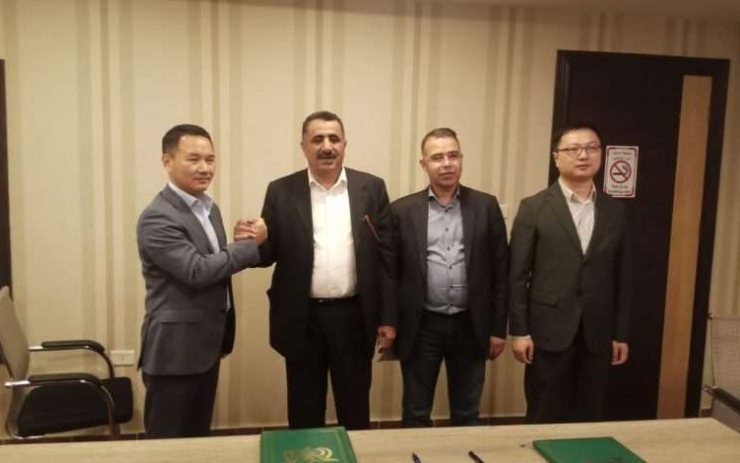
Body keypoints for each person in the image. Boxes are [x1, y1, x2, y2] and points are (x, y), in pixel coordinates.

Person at [251, 110, 396, 430]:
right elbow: (267, 255)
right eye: (317, 139)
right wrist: (255, 242)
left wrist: (387, 318)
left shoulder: (371, 188)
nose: (327, 146)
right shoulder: (281, 191)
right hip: (302, 319)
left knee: (355, 410)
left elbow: (386, 259)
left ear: (345, 144)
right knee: (304, 412)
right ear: (303, 146)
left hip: (355, 317)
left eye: (334, 139)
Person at [136, 124, 267, 438]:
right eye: (193, 159)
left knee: (196, 441)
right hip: (175, 351)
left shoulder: (209, 209)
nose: (205, 168)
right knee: (167, 445)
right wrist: (251, 246)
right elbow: (197, 271)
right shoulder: (158, 216)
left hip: (206, 345)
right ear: (167, 161)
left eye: (210, 159)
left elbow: (215, 262)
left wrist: (238, 241)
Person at [509, 123, 632, 423]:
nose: (583, 155)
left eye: (591, 148)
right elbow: (516, 275)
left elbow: (623, 277)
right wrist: (520, 331)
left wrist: (621, 333)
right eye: (573, 149)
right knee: (543, 411)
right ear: (556, 157)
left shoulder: (615, 211)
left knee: (589, 412)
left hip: (597, 333)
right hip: (548, 331)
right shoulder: (534, 207)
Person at [390, 127, 508, 427]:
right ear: (424, 164)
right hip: (421, 325)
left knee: (467, 411)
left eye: (453, 155)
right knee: (416, 410)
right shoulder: (402, 211)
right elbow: (390, 274)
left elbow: (501, 272)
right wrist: (389, 322)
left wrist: (498, 328)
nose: (447, 163)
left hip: (471, 324)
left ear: (461, 159)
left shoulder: (486, 206)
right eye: (437, 157)